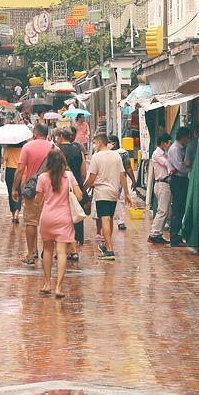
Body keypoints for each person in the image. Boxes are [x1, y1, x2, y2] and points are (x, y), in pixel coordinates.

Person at [34, 148, 82, 298]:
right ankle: (58, 287)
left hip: (47, 217)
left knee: (47, 250)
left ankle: (47, 284)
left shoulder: (42, 177)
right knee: (61, 252)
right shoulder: (68, 176)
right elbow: (79, 196)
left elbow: (37, 200)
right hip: (64, 218)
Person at [11, 124, 54, 265]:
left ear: (35, 133)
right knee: (49, 222)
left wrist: (14, 189)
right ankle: (47, 251)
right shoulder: (55, 148)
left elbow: (20, 170)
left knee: (31, 222)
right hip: (51, 191)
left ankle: (30, 254)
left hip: (33, 190)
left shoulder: (27, 147)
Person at [85, 133, 126, 261]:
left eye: (95, 143)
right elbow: (122, 175)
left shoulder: (96, 157)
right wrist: (127, 193)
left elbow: (91, 177)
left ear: (99, 143)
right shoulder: (116, 156)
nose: (94, 146)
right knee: (110, 218)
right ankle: (108, 245)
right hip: (114, 192)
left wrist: (82, 188)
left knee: (104, 220)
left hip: (102, 192)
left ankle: (109, 250)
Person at [55, 127, 86, 260]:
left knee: (60, 218)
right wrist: (78, 185)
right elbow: (83, 172)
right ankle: (74, 250)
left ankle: (61, 249)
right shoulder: (78, 150)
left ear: (61, 136)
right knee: (74, 216)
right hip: (75, 186)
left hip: (58, 187)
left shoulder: (55, 151)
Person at [166, 127, 194, 247]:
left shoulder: (179, 148)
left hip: (180, 180)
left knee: (180, 208)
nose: (189, 139)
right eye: (188, 137)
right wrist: (192, 172)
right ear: (183, 137)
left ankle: (176, 235)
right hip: (178, 180)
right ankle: (174, 237)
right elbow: (180, 167)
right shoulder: (176, 149)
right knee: (178, 208)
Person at [148, 133, 173, 244]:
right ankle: (154, 234)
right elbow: (169, 164)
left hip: (165, 184)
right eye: (168, 143)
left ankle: (158, 234)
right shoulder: (157, 154)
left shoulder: (165, 153)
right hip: (162, 184)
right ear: (164, 143)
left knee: (165, 211)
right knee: (162, 211)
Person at [3, 142, 24, 224]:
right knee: (18, 191)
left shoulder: (7, 149)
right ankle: (17, 212)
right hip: (19, 170)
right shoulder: (22, 150)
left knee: (10, 191)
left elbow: (2, 160)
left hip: (9, 171)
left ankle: (12, 213)